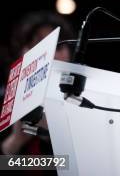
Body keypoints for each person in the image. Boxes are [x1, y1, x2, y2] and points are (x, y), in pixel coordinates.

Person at [1, 11, 74, 158]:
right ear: (22, 50)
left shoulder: (82, 100)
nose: (51, 54)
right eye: (39, 45)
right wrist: (15, 141)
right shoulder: (5, 99)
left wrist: (52, 137)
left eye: (58, 47)